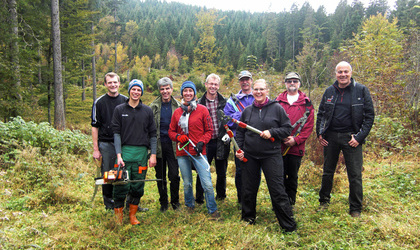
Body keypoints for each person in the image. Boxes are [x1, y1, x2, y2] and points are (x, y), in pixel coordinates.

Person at [235, 79, 296, 232]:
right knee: (248, 188)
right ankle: (248, 219)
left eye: (262, 89)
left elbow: (287, 129)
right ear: (252, 91)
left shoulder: (277, 109)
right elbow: (240, 132)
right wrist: (239, 149)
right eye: (256, 89)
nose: (258, 92)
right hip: (250, 156)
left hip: (271, 155)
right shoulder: (247, 111)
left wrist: (272, 132)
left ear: (267, 91)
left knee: (277, 189)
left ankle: (288, 225)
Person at [316, 61, 375, 218]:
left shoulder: (361, 90)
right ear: (335, 74)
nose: (343, 75)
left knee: (355, 174)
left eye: (345, 72)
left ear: (351, 73)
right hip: (331, 137)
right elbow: (321, 113)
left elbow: (369, 116)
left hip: (352, 138)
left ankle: (355, 208)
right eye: (339, 72)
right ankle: (324, 202)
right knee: (327, 172)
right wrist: (319, 133)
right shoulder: (329, 91)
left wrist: (360, 137)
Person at [168, 81, 221, 219]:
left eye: (190, 91)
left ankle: (212, 210)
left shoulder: (202, 110)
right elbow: (171, 132)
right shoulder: (177, 112)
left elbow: (209, 130)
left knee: (207, 183)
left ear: (194, 94)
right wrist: (179, 137)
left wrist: (202, 141)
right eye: (185, 91)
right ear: (182, 93)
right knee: (187, 183)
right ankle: (189, 205)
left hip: (199, 152)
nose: (188, 94)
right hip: (182, 153)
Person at [111, 79, 157, 225]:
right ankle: (118, 218)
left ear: (141, 92)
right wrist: (118, 155)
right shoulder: (119, 110)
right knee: (120, 185)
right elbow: (116, 134)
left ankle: (132, 216)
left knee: (137, 186)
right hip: (124, 153)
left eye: (139, 90)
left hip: (141, 155)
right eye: (133, 89)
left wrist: (153, 154)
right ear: (129, 90)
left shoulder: (147, 111)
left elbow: (153, 135)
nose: (136, 92)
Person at [276, 72, 314, 206]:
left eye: (295, 81)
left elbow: (308, 127)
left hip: (296, 148)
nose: (292, 83)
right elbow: (272, 121)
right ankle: (279, 204)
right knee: (278, 177)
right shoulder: (277, 101)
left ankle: (290, 203)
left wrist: (295, 140)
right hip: (278, 147)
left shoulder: (307, 104)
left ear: (299, 83)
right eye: (289, 81)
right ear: (285, 83)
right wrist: (280, 137)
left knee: (292, 177)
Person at [91, 72, 127, 211]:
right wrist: (96, 149)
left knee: (124, 173)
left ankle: (127, 202)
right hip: (106, 143)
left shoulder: (125, 100)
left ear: (119, 83)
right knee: (107, 174)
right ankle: (109, 204)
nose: (113, 85)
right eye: (110, 82)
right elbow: (95, 127)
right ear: (105, 84)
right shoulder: (99, 102)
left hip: (124, 143)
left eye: (115, 82)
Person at [195, 73, 230, 203]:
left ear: (218, 86)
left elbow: (230, 120)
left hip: (221, 140)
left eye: (215, 84)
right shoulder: (199, 103)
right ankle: (199, 198)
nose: (213, 86)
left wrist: (228, 133)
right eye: (211, 84)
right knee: (203, 170)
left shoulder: (225, 102)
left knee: (222, 171)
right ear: (206, 85)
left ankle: (221, 196)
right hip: (205, 142)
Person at [223, 70, 255, 207]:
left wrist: (239, 115)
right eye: (242, 79)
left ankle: (252, 199)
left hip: (257, 141)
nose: (245, 82)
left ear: (251, 81)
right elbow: (227, 119)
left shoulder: (258, 96)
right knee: (240, 171)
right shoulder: (232, 100)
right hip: (239, 141)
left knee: (255, 171)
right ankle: (241, 200)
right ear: (239, 82)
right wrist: (245, 117)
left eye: (247, 79)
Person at [150, 77, 181, 212]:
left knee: (174, 175)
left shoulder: (178, 106)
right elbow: (149, 129)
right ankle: (163, 203)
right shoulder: (153, 106)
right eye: (162, 89)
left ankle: (175, 202)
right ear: (159, 90)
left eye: (167, 88)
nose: (165, 91)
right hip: (159, 145)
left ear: (172, 89)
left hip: (174, 145)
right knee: (160, 176)